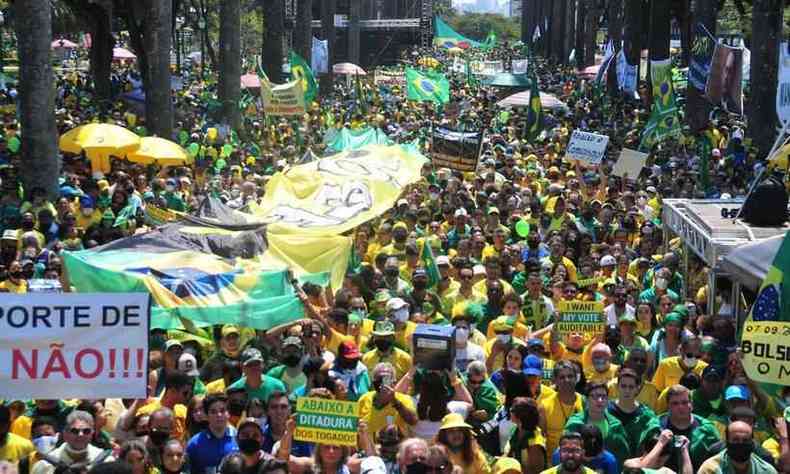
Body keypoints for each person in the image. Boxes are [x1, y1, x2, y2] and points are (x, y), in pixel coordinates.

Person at [564, 383, 630, 468]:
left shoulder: (616, 426)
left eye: (603, 397)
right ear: (586, 399)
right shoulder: (574, 424)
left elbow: (623, 455)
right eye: (594, 396)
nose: (600, 400)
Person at [658, 385, 721, 471]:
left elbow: (718, 462)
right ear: (668, 405)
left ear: (691, 404)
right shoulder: (656, 426)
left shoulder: (707, 429)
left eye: (684, 402)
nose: (681, 407)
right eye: (675, 403)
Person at [32, 411, 115, 474]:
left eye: (86, 431)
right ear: (65, 434)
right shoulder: (44, 466)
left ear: (92, 434)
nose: (80, 435)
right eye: (74, 431)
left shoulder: (107, 462)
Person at [358, 362, 417, 441]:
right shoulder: (365, 398)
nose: (382, 383)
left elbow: (413, 421)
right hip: (369, 448)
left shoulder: (404, 399)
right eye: (379, 379)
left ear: (394, 382)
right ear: (373, 381)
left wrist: (394, 401)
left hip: (392, 448)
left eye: (386, 379)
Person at [608, 368, 660, 457]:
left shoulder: (646, 415)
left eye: (631, 387)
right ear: (617, 387)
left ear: (637, 389)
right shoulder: (606, 411)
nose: (627, 391)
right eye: (623, 386)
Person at [540, 361, 584, 457]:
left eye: (570, 376)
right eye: (562, 377)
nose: (566, 380)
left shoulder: (585, 403)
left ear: (576, 378)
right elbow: (541, 439)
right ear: (555, 380)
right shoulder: (545, 406)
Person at [186, 394, 239, 474]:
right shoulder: (194, 444)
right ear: (207, 416)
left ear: (228, 414)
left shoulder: (240, 438)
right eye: (213, 412)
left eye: (222, 410)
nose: (219, 415)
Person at [698, 420, 777, 474]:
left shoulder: (767, 471)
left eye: (745, 440)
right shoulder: (710, 470)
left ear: (752, 442)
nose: (740, 444)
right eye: (735, 440)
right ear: (727, 441)